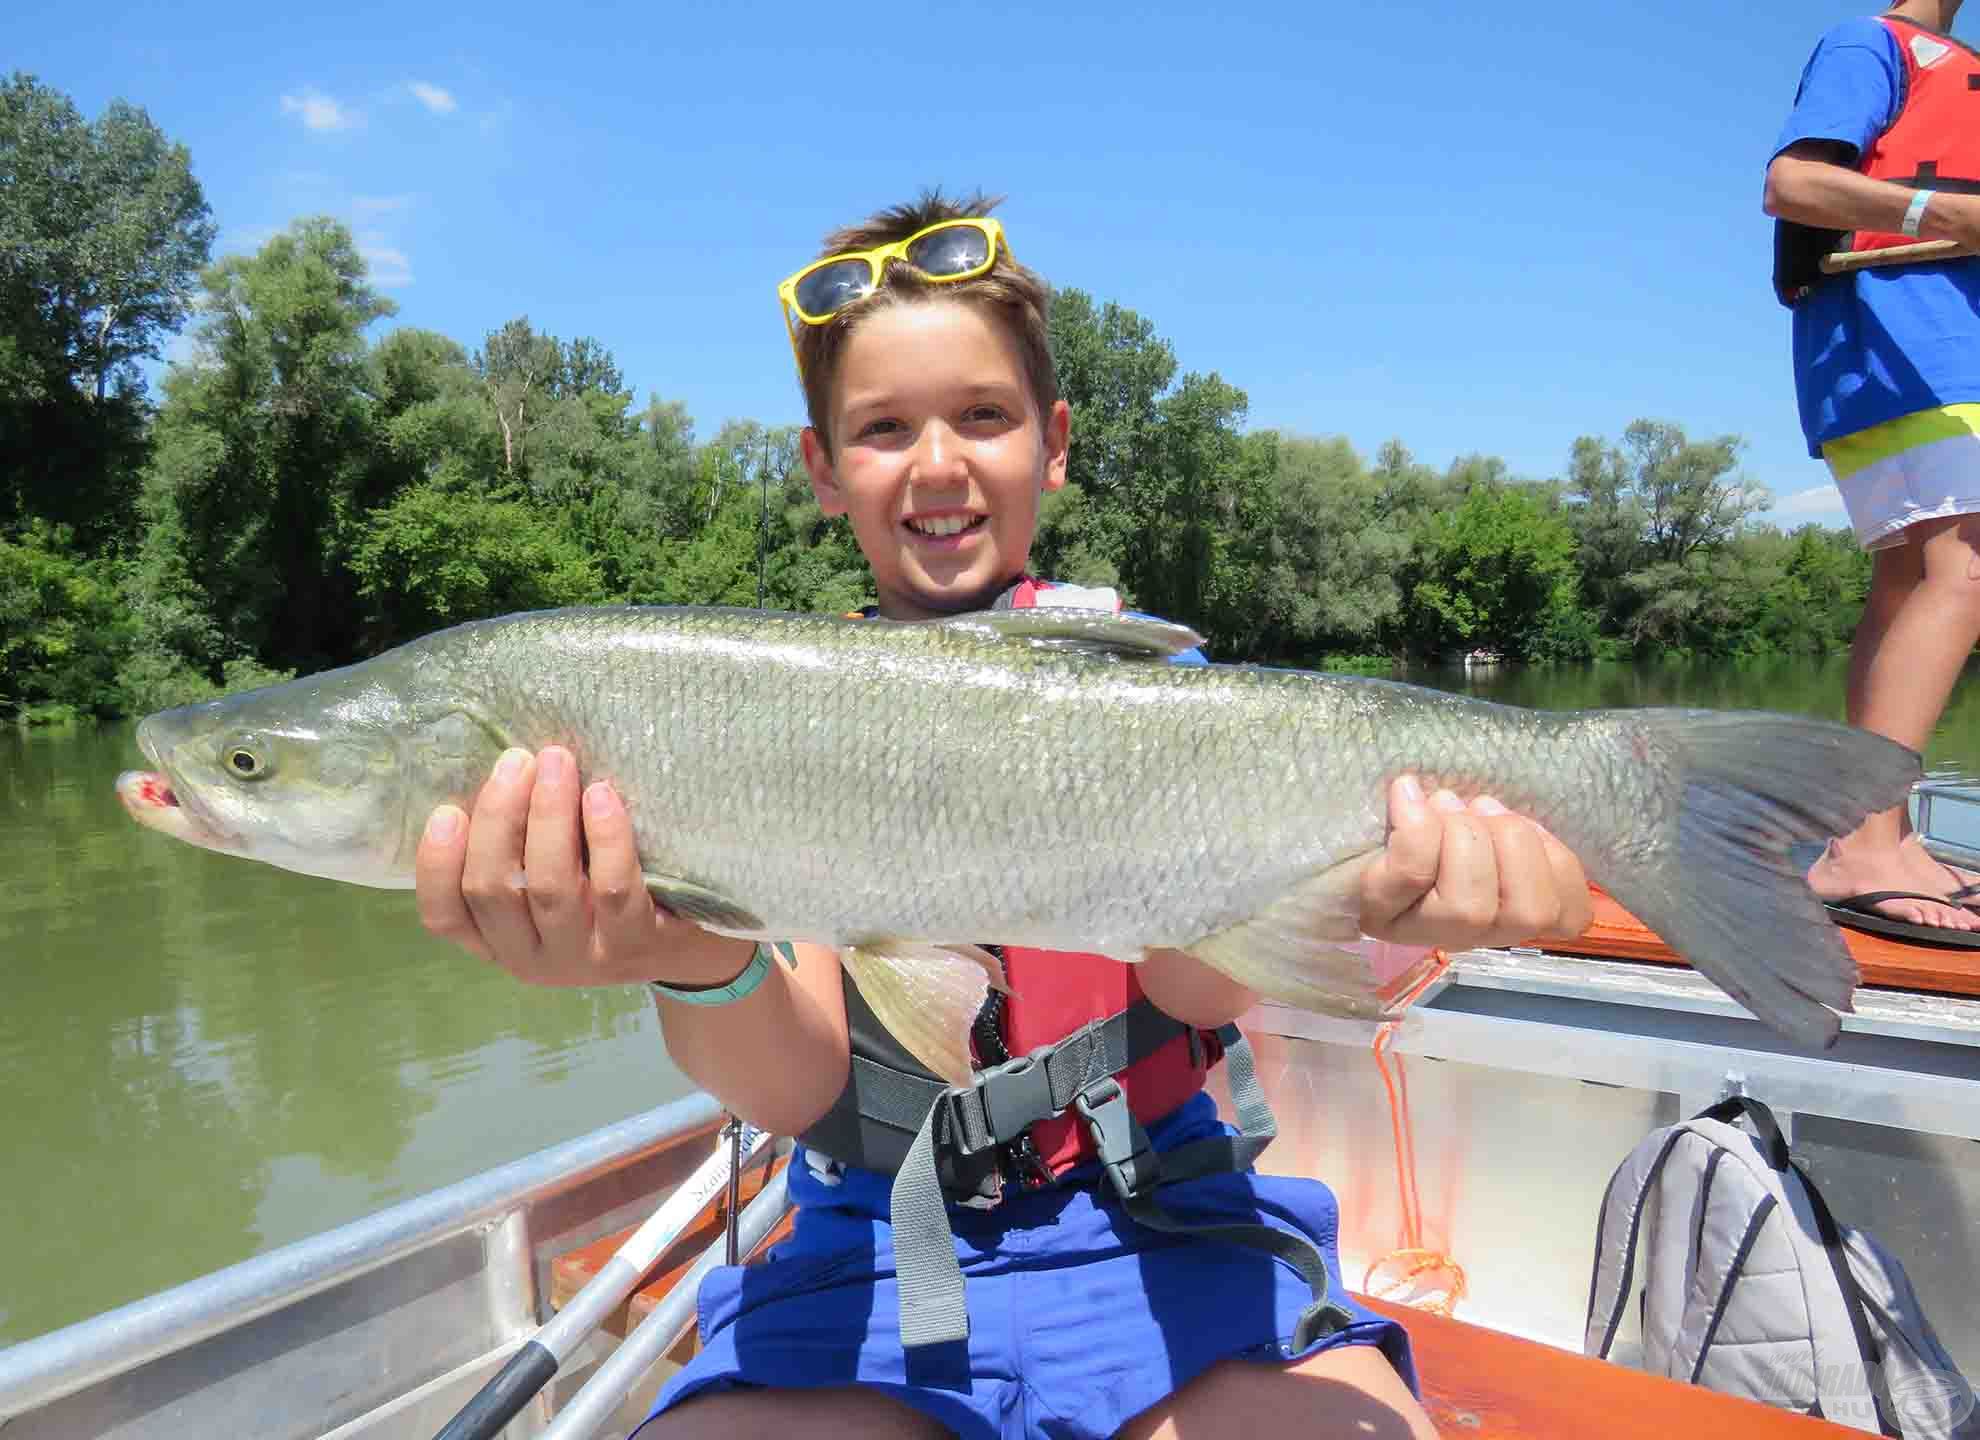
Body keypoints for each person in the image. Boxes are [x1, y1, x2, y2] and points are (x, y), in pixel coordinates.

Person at [414, 192, 1596, 1439]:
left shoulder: (1160, 696)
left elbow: (1195, 996)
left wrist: (1371, 898)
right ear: (822, 469)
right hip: (865, 1254)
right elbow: (803, 1078)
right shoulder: (757, 719)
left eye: (983, 416)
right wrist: (681, 953)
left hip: (1166, 1224)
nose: (937, 464)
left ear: (1056, 443)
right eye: (881, 429)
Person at [1766, 0, 1980, 943]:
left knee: (1909, 580)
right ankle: (1863, 844)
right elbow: (1793, 183)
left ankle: (1870, 833)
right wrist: (1945, 212)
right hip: (1907, 342)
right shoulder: (1874, 41)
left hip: (1914, 350)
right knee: (1966, 564)